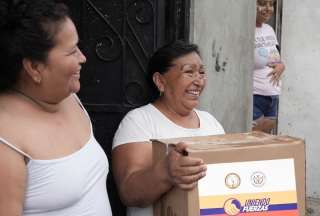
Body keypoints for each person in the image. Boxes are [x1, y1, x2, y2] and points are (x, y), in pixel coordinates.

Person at [0, 0, 112, 215]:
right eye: (72, 52)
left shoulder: (68, 98)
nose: (83, 58)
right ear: (34, 67)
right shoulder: (6, 139)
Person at [112, 41, 225, 216]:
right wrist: (166, 172)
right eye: (189, 72)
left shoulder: (211, 122)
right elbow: (129, 193)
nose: (199, 81)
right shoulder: (140, 122)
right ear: (160, 81)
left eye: (202, 72)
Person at [253, 0, 285, 133]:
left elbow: (276, 57)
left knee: (264, 143)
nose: (268, 8)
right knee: (252, 141)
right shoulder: (245, 31)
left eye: (271, 4)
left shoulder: (269, 29)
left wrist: (282, 65)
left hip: (272, 96)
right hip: (255, 96)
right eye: (262, 3)